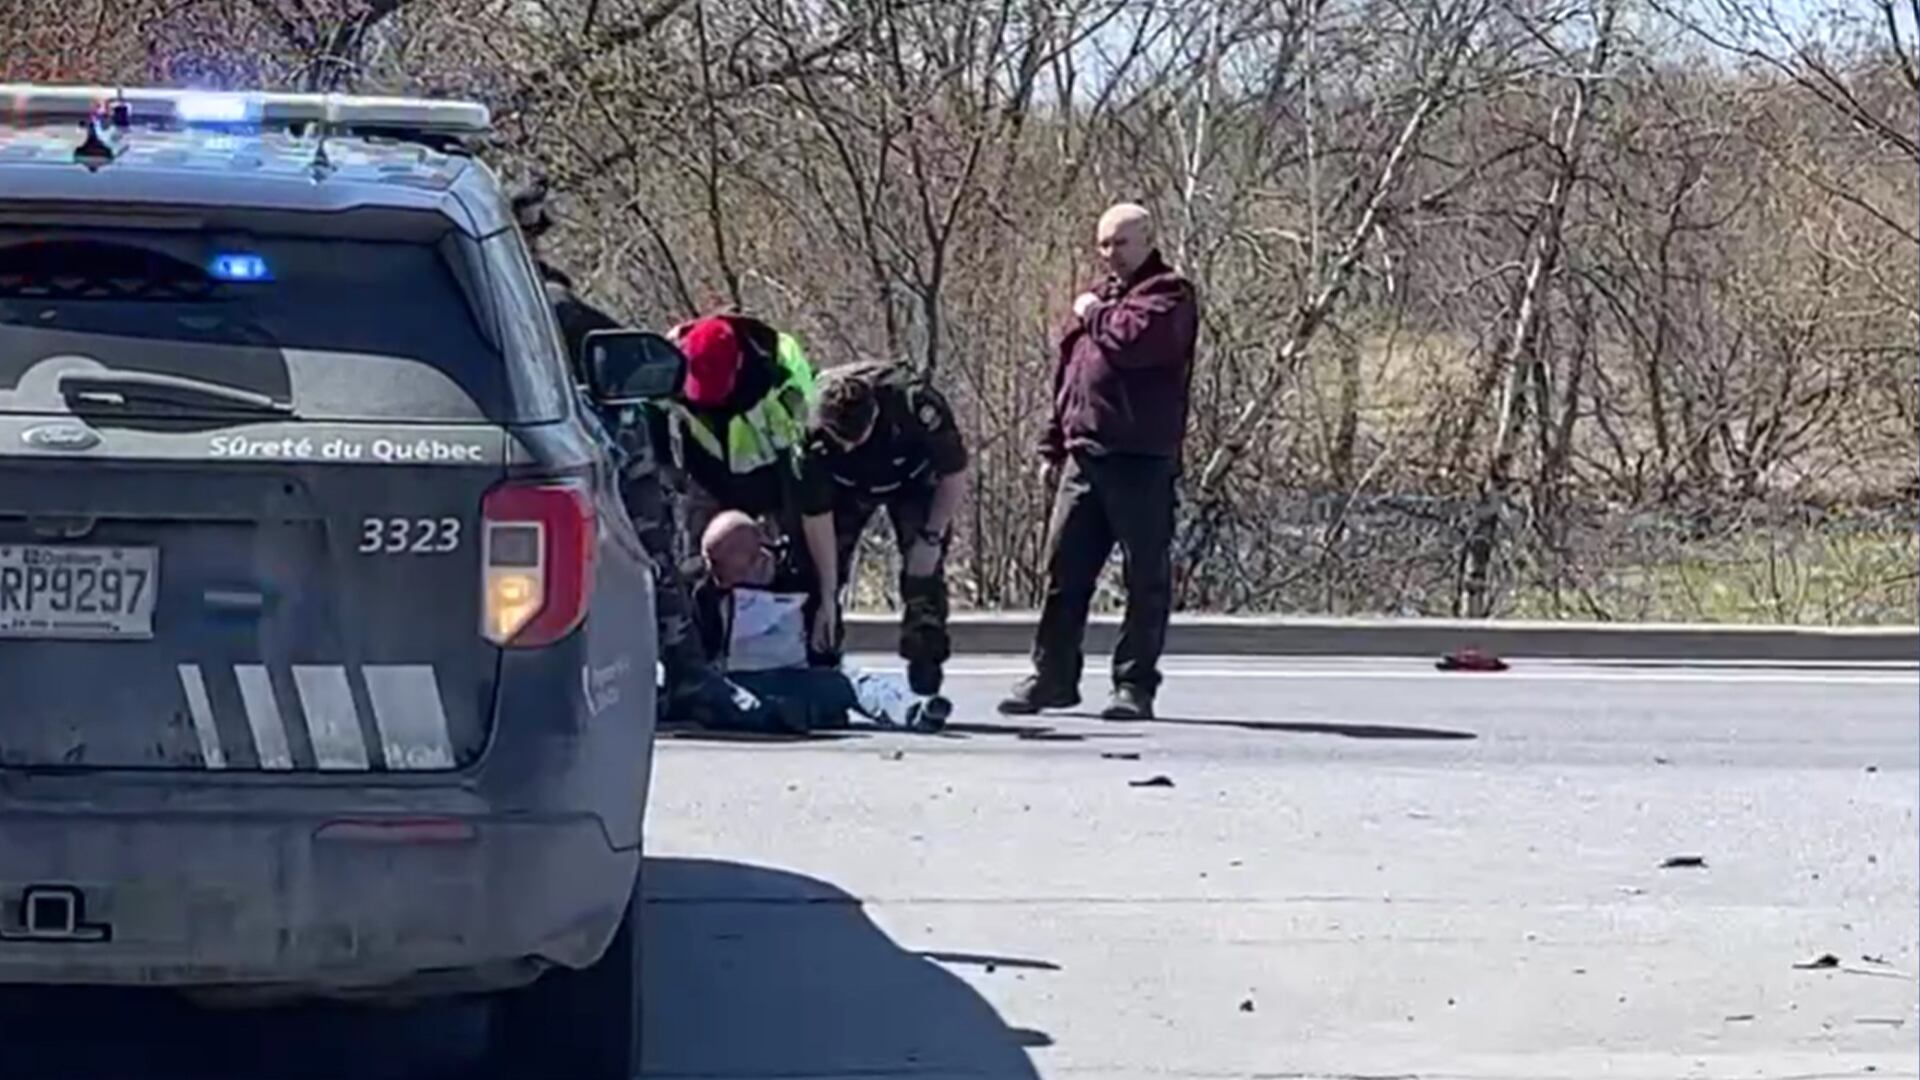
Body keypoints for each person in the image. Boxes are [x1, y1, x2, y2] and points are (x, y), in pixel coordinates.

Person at [511, 179, 768, 731]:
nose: (533, 244)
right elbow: (632, 363)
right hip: (546, 460)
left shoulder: (492, 298)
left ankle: (677, 673)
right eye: (529, 234)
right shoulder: (544, 305)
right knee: (647, 551)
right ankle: (686, 673)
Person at [1000, 202, 1200, 721]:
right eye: (1104, 244)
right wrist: (1053, 445)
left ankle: (1134, 685)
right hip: (1083, 457)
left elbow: (1131, 343)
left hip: (1141, 461)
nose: (1111, 253)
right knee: (1063, 573)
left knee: (1144, 578)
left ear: (1148, 240)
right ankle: (1052, 677)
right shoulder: (1099, 297)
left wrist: (1091, 313)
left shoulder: (1169, 295)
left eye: (1122, 242)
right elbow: (1070, 378)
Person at [660, 313, 842, 656]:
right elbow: (650, 431)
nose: (710, 402)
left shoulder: (784, 385)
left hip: (774, 478)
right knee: (699, 570)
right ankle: (702, 659)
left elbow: (812, 500)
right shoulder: (666, 365)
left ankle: (815, 650)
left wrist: (828, 594)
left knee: (793, 567)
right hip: (706, 473)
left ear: (740, 364)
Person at [693, 510, 951, 733]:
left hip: (797, 674)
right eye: (715, 569)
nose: (720, 578)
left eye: (733, 571)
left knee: (851, 682)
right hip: (742, 681)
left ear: (759, 554)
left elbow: (825, 642)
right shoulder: (706, 592)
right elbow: (701, 656)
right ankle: (786, 715)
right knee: (717, 698)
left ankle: (915, 710)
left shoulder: (799, 573)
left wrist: (823, 640)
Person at [806, 361, 969, 695]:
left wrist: (931, 536)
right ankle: (822, 665)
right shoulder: (810, 427)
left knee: (923, 572)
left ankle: (925, 666)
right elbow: (815, 513)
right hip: (844, 489)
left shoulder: (915, 403)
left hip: (913, 479)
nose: (847, 447)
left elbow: (954, 473)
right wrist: (826, 592)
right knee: (816, 578)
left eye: (855, 439)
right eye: (840, 440)